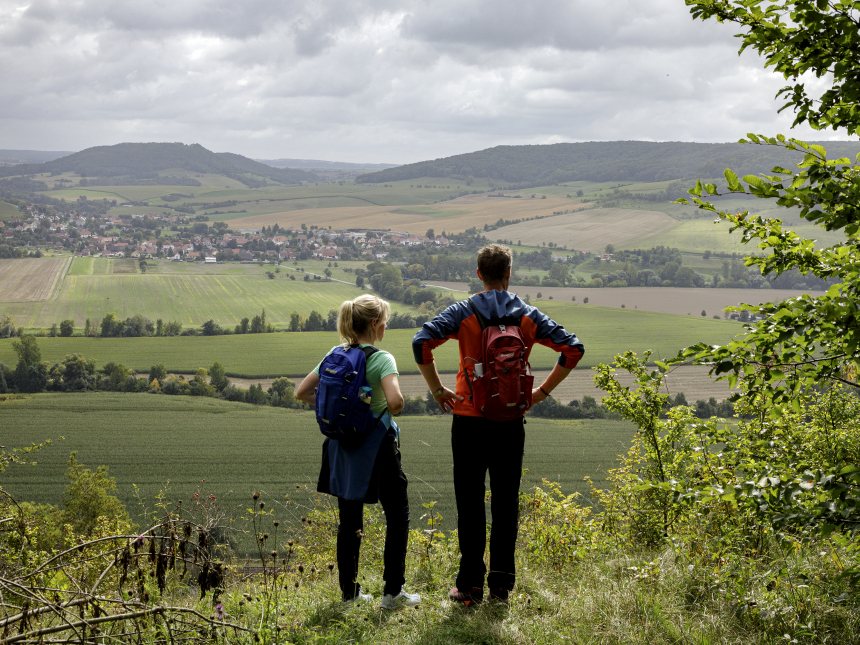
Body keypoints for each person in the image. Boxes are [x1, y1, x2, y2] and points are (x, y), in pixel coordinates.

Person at [412, 244, 584, 606]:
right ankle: (501, 588)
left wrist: (437, 389)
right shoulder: (528, 316)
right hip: (510, 420)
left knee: (470, 502)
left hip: (469, 419)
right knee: (506, 503)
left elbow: (421, 341)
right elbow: (573, 349)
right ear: (509, 273)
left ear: (478, 274)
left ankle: (469, 585)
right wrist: (540, 393)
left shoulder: (464, 312)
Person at [296, 294, 420, 610]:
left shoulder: (334, 354)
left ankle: (349, 595)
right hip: (378, 447)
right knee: (397, 515)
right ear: (376, 325)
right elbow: (394, 402)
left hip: (342, 448)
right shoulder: (382, 359)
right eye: (385, 322)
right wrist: (396, 407)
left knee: (349, 522)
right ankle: (393, 593)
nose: (387, 326)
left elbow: (302, 392)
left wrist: (344, 413)